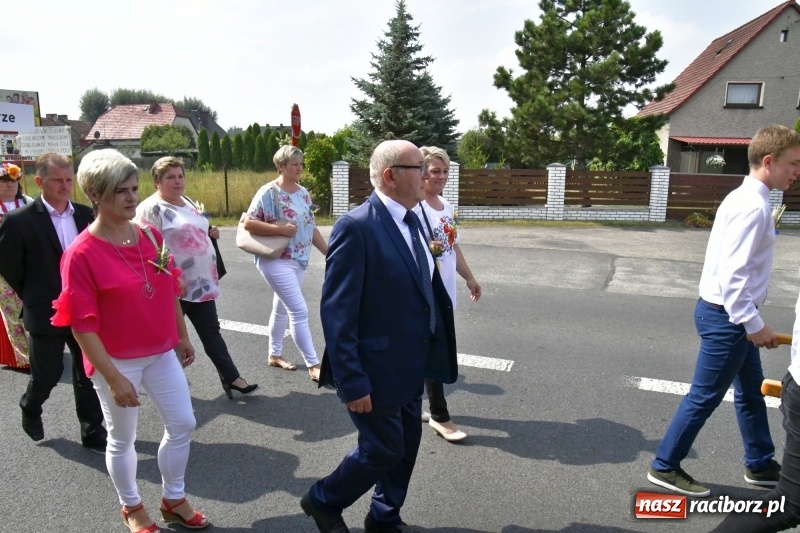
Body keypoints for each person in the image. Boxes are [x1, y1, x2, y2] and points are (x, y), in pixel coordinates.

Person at [300, 140, 458, 533]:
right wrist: (351, 381)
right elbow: (338, 312)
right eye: (418, 167)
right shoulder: (356, 226)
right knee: (383, 449)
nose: (427, 175)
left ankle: (384, 516)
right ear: (390, 175)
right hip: (374, 369)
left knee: (405, 448)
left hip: (410, 362)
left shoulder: (414, 216)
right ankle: (322, 500)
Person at [52, 149, 209, 533]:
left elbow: (170, 286)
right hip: (116, 359)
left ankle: (173, 498)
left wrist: (181, 336)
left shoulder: (150, 235)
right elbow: (80, 325)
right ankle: (132, 506)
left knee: (183, 423)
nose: (131, 198)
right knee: (123, 437)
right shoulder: (81, 254)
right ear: (94, 192)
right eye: (120, 191)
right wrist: (113, 377)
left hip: (160, 352)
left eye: (134, 189)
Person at [647, 124, 800, 498]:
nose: (797, 171)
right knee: (705, 395)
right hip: (729, 318)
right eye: (794, 163)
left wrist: (751, 320)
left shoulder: (745, 198)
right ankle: (664, 466)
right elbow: (733, 278)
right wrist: (754, 323)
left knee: (750, 392)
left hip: (727, 315)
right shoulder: (753, 208)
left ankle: (760, 464)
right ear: (769, 161)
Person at [0, 152, 106, 447]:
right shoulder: (18, 220)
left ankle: (91, 428)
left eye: (69, 179)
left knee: (88, 369)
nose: (65, 185)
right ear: (39, 181)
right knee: (47, 374)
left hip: (83, 308)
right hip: (44, 308)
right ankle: (30, 406)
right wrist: (33, 293)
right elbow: (9, 265)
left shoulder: (87, 215)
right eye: (57, 179)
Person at [135, 156, 258, 399]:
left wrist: (209, 230)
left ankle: (231, 377)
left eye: (180, 176)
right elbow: (146, 248)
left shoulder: (187, 201)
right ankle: (161, 384)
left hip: (201, 283)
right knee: (168, 339)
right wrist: (168, 277)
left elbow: (194, 226)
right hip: (173, 285)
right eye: (170, 177)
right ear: (157, 182)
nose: (177, 181)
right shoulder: (151, 208)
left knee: (211, 331)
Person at [413, 146, 481, 443]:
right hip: (424, 291)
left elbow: (453, 247)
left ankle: (411, 405)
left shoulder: (447, 205)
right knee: (434, 348)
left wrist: (469, 278)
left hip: (446, 290)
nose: (440, 177)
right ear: (422, 172)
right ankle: (440, 416)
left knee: (424, 349)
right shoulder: (416, 207)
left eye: (445, 172)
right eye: (435, 171)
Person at [243, 145, 327, 382]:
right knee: (299, 310)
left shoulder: (303, 193)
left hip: (298, 260)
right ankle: (314, 364)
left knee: (280, 308)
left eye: (301, 163)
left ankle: (274, 354)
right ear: (281, 167)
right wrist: (280, 229)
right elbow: (249, 223)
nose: (299, 168)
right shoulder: (268, 192)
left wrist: (329, 253)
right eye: (294, 164)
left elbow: (311, 227)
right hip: (275, 259)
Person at [0, 162, 33, 370]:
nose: (9, 185)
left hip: (30, 265)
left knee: (34, 308)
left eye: (12, 181)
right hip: (3, 269)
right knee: (13, 312)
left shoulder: (29, 203)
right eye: (3, 181)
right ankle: (24, 357)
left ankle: (42, 349)